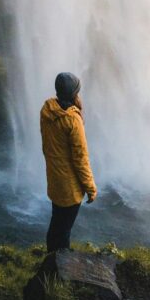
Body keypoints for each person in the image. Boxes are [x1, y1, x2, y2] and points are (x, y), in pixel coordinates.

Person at [40, 71, 97, 251]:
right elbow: (80, 159)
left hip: (55, 181)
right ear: (74, 94)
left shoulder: (47, 111)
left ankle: (50, 262)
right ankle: (57, 272)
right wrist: (90, 188)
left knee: (56, 225)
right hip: (70, 188)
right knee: (64, 232)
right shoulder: (72, 120)